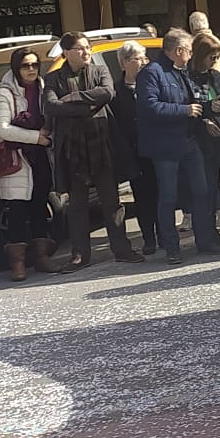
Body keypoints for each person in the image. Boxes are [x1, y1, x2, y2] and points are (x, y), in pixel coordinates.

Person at [43, 32, 141, 268]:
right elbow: (52, 106)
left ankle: (122, 248)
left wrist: (74, 98)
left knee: (112, 201)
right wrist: (88, 107)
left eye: (88, 47)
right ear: (66, 53)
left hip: (101, 143)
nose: (86, 52)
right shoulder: (53, 78)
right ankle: (79, 255)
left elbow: (107, 93)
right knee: (77, 206)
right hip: (74, 149)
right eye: (80, 48)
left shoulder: (100, 71)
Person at [138, 29, 220, 261]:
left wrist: (206, 112)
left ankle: (204, 241)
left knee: (201, 191)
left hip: (189, 141)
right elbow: (150, 107)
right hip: (165, 146)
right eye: (189, 50)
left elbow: (191, 100)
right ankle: (172, 248)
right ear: (179, 51)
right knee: (168, 197)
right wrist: (183, 111)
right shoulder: (152, 73)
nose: (192, 55)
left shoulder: (182, 72)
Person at [0, 47, 66, 280]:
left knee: (39, 207)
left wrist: (48, 137)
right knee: (16, 210)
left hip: (40, 157)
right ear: (16, 67)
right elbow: (3, 129)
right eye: (25, 65)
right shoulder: (6, 93)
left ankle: (42, 258)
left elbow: (53, 119)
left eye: (35, 65)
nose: (31, 69)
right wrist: (37, 138)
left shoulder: (44, 88)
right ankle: (18, 264)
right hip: (17, 158)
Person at [112, 40, 160, 257]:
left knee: (162, 193)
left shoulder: (152, 84)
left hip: (156, 147)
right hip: (133, 151)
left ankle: (166, 236)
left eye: (144, 58)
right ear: (123, 63)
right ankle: (148, 238)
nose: (142, 62)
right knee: (142, 196)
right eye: (137, 59)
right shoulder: (115, 91)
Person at [190, 31, 220, 228]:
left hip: (219, 136)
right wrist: (206, 117)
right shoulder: (189, 77)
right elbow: (189, 104)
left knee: (214, 183)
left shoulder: (215, 75)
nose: (215, 61)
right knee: (204, 188)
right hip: (200, 137)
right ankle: (205, 231)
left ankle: (213, 229)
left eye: (217, 57)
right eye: (212, 57)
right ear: (200, 55)